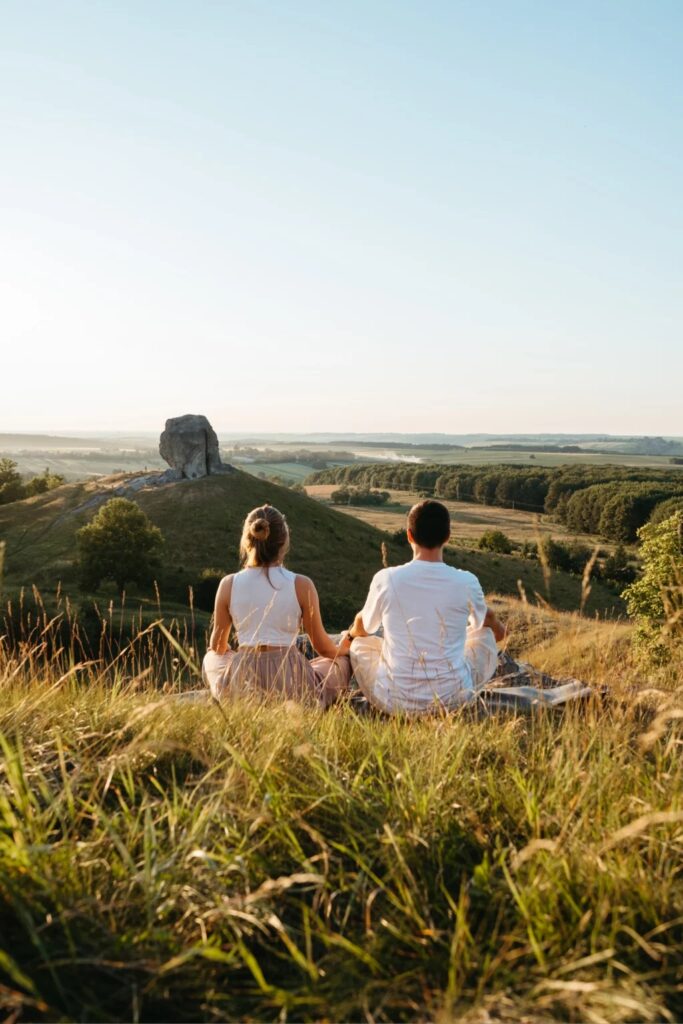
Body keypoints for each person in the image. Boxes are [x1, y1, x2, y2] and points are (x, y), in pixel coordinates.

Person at [347, 499, 505, 714]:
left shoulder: (386, 578)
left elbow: (363, 626)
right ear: (448, 537)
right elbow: (488, 623)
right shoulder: (467, 582)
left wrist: (350, 636)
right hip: (454, 700)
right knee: (482, 634)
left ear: (409, 535)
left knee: (360, 644)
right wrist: (498, 630)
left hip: (393, 702)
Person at [202, 504, 352, 705]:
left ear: (247, 541)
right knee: (340, 663)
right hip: (292, 682)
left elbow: (217, 646)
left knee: (211, 658)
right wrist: (345, 648)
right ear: (284, 542)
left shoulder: (228, 584)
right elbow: (324, 648)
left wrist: (231, 652)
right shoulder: (301, 584)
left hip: (243, 680)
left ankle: (229, 697)